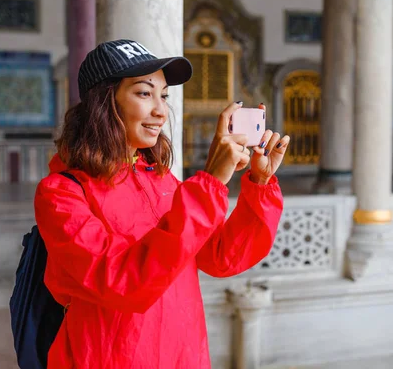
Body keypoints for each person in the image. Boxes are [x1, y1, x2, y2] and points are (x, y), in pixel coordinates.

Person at [34, 39, 290, 368]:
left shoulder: (161, 180)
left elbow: (220, 256)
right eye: (144, 93)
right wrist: (209, 183)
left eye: (164, 95)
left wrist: (259, 183)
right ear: (104, 102)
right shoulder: (60, 194)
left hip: (183, 354)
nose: (160, 110)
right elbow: (122, 281)